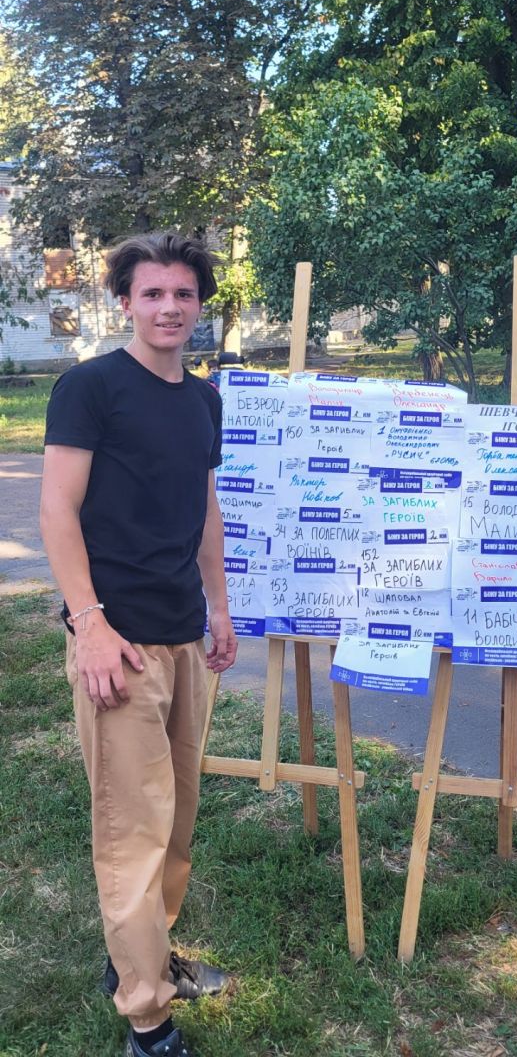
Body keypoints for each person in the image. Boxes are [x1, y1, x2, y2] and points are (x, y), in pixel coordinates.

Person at [40, 233, 238, 1057]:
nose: (169, 307)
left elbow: (204, 508)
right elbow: (56, 509)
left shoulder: (203, 400)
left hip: (183, 633)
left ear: (199, 306)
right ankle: (149, 1023)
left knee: (176, 820)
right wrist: (88, 623)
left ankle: (142, 956)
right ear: (125, 301)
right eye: (152, 293)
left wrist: (219, 608)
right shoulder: (90, 388)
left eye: (183, 294)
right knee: (133, 829)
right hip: (116, 645)